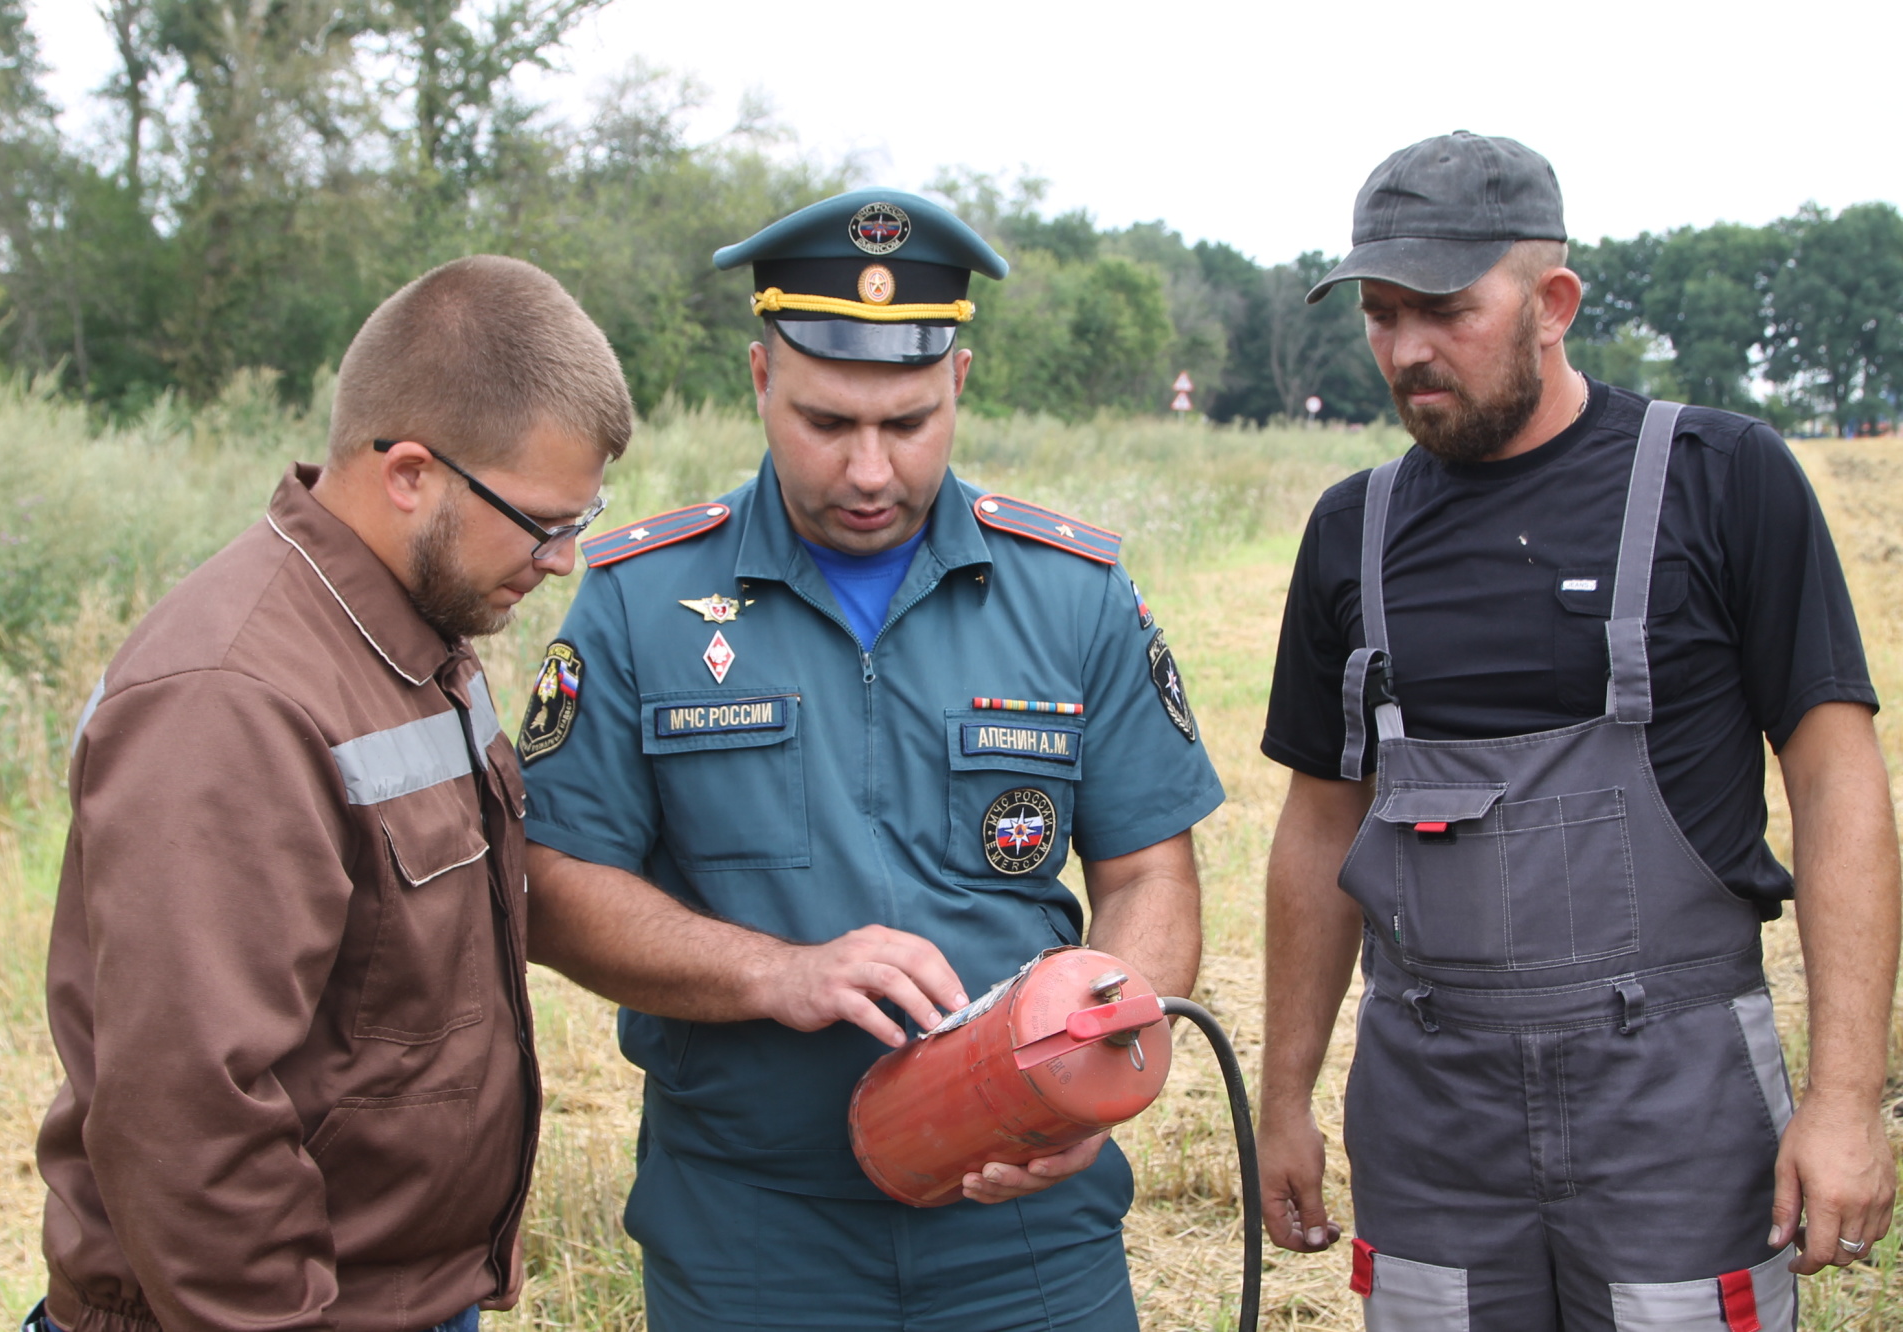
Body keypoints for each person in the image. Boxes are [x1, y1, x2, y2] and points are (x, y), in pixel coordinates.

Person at [517, 188, 1225, 1331]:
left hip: (1027, 1231)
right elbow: (551, 886)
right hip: (752, 1229)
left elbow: (1148, 871)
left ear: (957, 385)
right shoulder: (639, 603)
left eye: (904, 425)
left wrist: (1099, 1066)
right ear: (759, 381)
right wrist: (772, 973)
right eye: (824, 422)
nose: (866, 470)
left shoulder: (1073, 595)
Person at [1256, 131, 1900, 1331]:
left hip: (1674, 1100)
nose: (1403, 351)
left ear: (1552, 302)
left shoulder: (1723, 480)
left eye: (1442, 310)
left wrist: (1845, 1099)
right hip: (1429, 1106)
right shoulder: (1352, 532)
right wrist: (1283, 1094)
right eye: (1381, 315)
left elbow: (1833, 780)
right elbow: (1316, 826)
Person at [30, 255, 634, 1332]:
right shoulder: (230, 697)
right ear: (409, 473)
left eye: (582, 520)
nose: (562, 562)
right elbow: (187, 1113)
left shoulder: (411, 635)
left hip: (399, 1297)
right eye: (542, 522)